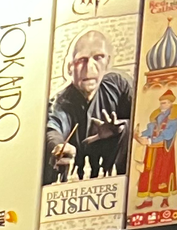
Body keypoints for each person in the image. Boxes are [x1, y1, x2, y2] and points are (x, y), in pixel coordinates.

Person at [45, 28, 132, 182]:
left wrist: (120, 129)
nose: (89, 68)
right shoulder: (61, 102)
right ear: (70, 67)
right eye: (82, 60)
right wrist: (59, 148)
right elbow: (53, 130)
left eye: (98, 57)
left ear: (108, 62)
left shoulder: (119, 86)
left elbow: (144, 122)